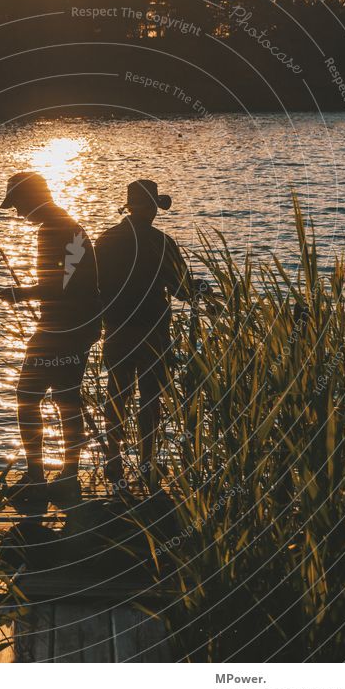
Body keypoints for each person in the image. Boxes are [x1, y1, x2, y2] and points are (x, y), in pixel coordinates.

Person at [95, 179, 212, 489]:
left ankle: (114, 461)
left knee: (116, 394)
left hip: (117, 329)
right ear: (150, 209)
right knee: (151, 397)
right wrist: (204, 290)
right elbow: (182, 290)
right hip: (153, 332)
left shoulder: (105, 240)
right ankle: (147, 463)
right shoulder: (161, 243)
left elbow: (95, 287)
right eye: (154, 208)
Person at [0, 171, 101, 506]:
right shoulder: (70, 225)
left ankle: (37, 477)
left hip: (61, 329)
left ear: (33, 197)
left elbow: (61, 286)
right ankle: (69, 476)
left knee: (26, 396)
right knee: (67, 399)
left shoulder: (52, 231)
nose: (16, 212)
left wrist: (21, 293)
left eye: (18, 203)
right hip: (79, 327)